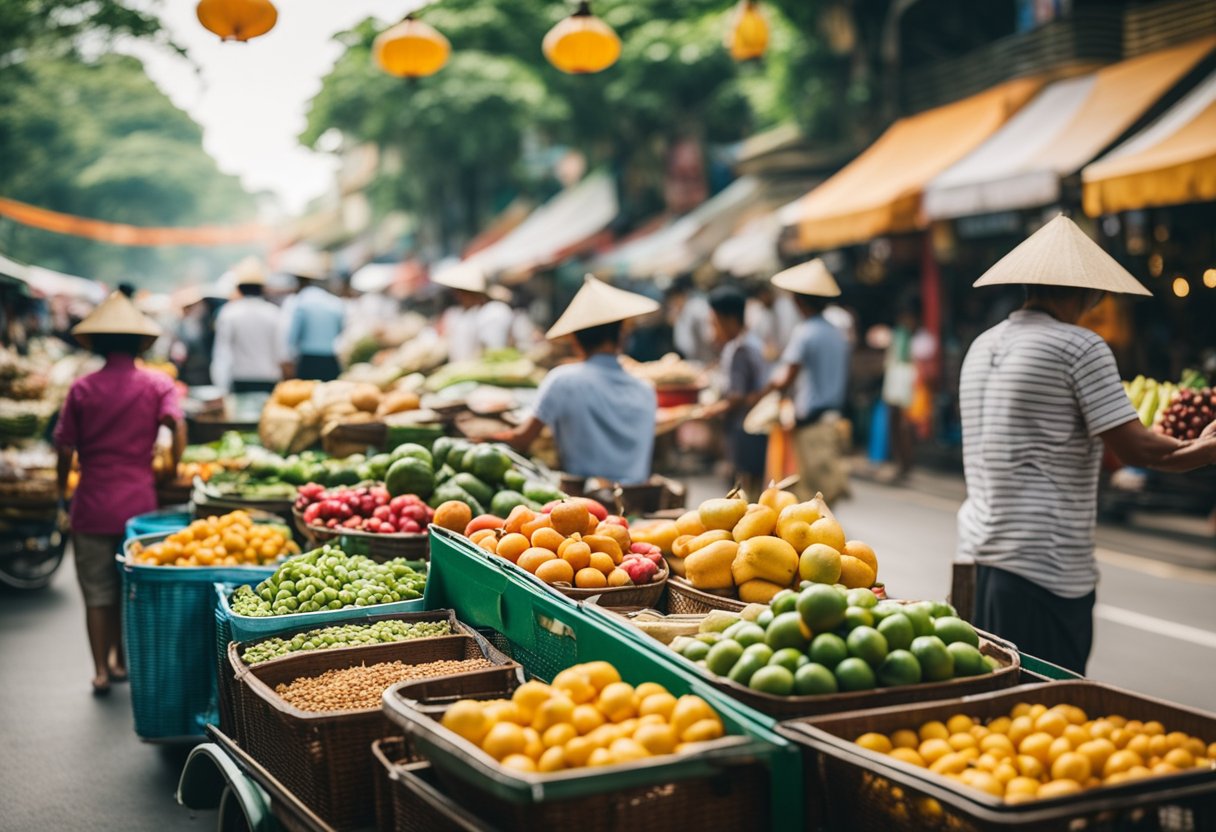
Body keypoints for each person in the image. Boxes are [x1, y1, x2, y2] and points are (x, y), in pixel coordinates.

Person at [959, 215, 1216, 674]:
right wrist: (1206, 446)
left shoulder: (982, 345)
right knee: (1049, 713)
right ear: (1091, 293)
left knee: (995, 710)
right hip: (1045, 569)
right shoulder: (1079, 346)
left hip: (979, 558)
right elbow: (1143, 450)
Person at [53, 292, 185, 695]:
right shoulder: (157, 383)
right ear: (139, 344)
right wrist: (172, 468)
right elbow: (177, 426)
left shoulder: (82, 387)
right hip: (138, 505)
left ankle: (99, 670)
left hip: (91, 502)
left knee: (96, 591)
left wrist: (63, 491)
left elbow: (64, 447)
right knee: (130, 590)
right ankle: (122, 660)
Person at [498, 276, 659, 484]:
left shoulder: (564, 380)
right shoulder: (645, 389)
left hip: (584, 503)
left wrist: (481, 439)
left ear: (574, 340)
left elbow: (522, 440)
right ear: (621, 336)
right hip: (638, 495)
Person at [762, 259, 852, 503]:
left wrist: (764, 390)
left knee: (813, 493)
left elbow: (786, 377)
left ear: (799, 301)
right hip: (832, 415)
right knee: (823, 492)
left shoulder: (805, 332)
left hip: (812, 421)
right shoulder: (836, 331)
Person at [708, 287, 770, 500]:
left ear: (728, 319)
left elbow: (736, 396)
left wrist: (709, 410)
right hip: (753, 428)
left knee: (742, 493)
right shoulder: (752, 342)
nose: (712, 329)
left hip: (742, 429)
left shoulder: (740, 349)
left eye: (714, 322)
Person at [210, 257, 283, 393]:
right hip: (269, 378)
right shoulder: (274, 313)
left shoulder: (229, 313)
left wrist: (221, 385)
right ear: (263, 288)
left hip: (240, 378)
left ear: (239, 288)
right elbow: (281, 351)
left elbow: (222, 353)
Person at [432, 262, 514, 363]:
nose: (458, 296)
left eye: (461, 292)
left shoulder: (494, 312)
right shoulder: (463, 314)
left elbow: (496, 350)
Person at [282, 251, 345, 381]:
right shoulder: (334, 302)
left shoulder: (300, 302)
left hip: (308, 360)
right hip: (330, 360)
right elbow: (340, 330)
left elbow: (293, 336)